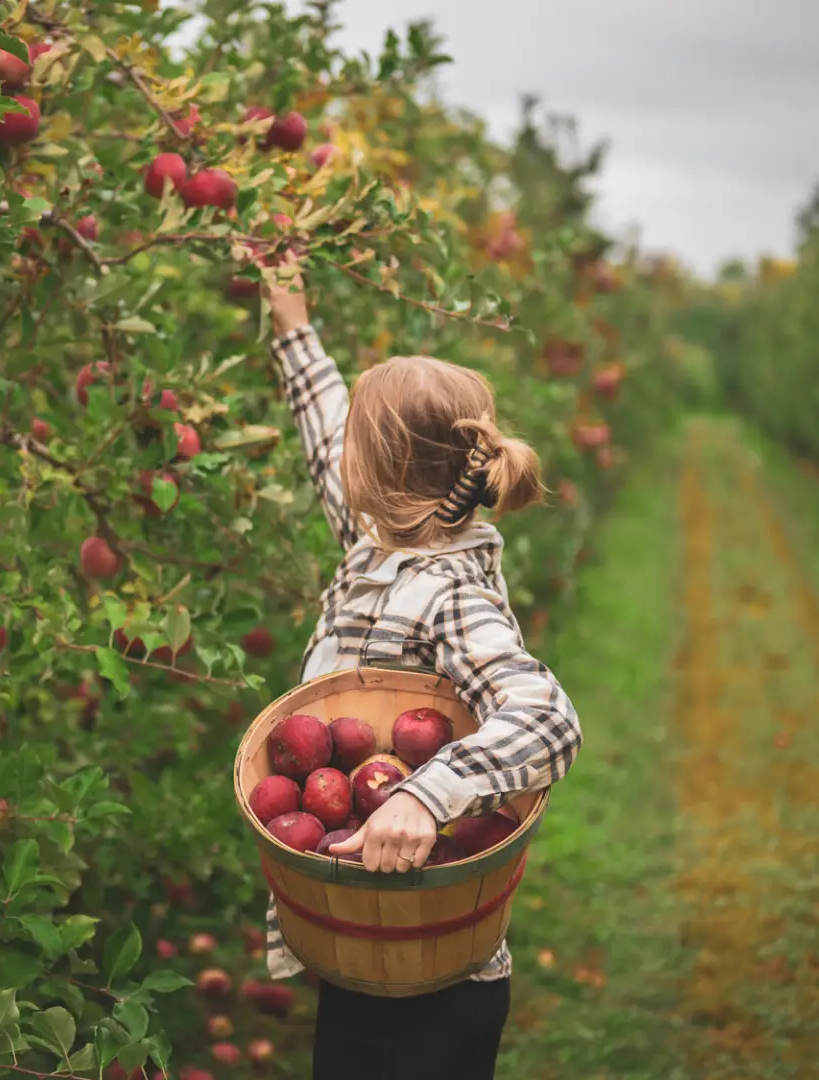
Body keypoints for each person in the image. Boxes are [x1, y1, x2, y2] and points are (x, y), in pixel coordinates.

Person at [255, 252, 583, 1080]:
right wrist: (289, 313)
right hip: (366, 928)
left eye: (355, 452)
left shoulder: (447, 590)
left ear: (377, 473)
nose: (339, 461)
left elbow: (547, 718)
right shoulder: (385, 538)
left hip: (433, 972)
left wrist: (423, 795)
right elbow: (326, 423)